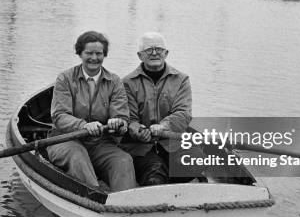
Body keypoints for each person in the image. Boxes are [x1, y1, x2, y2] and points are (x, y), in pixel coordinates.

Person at [48, 31, 137, 192]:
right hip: (64, 140)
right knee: (78, 156)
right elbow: (59, 116)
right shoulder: (65, 79)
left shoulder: (115, 81)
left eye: (99, 53)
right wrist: (83, 125)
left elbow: (122, 117)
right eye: (89, 53)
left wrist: (118, 123)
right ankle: (94, 198)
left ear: (104, 55)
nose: (94, 58)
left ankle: (126, 205)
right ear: (80, 53)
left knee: (123, 160)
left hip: (100, 143)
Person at [123, 32, 192, 185]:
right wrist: (138, 131)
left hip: (171, 142)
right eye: (149, 49)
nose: (154, 53)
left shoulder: (181, 80)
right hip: (140, 147)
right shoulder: (127, 82)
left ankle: (164, 176)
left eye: (159, 49)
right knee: (154, 172)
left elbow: (183, 114)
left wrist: (163, 127)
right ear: (140, 55)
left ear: (166, 53)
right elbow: (129, 119)